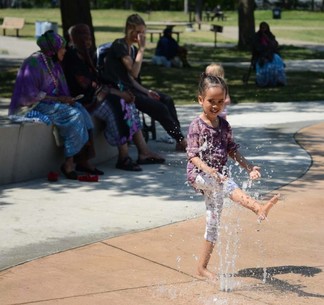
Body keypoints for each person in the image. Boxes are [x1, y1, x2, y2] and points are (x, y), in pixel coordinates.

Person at [186, 73, 280, 281]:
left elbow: (233, 150)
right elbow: (191, 155)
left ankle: (202, 267)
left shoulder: (224, 126)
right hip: (199, 175)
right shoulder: (197, 126)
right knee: (223, 181)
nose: (215, 106)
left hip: (216, 178)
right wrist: (208, 170)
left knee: (213, 222)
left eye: (220, 102)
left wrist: (249, 168)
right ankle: (257, 207)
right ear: (201, 99)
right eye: (211, 101)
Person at [63, 23, 165, 171]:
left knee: (128, 104)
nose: (88, 40)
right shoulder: (72, 58)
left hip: (96, 96)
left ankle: (143, 152)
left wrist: (119, 91)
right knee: (117, 106)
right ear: (74, 39)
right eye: (83, 37)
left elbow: (97, 80)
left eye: (89, 36)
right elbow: (88, 86)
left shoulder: (84, 55)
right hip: (84, 101)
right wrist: (117, 93)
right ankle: (123, 157)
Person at [8, 30, 101, 180]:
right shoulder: (32, 63)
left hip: (51, 102)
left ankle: (83, 160)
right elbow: (28, 95)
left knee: (81, 110)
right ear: (53, 48)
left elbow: (60, 89)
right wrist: (58, 100)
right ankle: (68, 164)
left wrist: (67, 99)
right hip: (31, 106)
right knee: (74, 115)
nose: (64, 51)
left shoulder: (53, 63)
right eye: (62, 48)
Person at [100, 13, 187, 152]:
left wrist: (147, 91)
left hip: (132, 88)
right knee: (160, 108)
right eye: (137, 32)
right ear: (129, 29)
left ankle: (179, 139)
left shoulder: (132, 49)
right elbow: (133, 72)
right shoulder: (119, 45)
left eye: (142, 32)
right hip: (122, 92)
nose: (140, 36)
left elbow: (131, 79)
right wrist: (142, 49)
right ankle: (181, 140)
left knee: (166, 99)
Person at [252, 21, 286, 87]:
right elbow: (257, 48)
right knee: (264, 63)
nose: (264, 30)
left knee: (277, 60)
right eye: (262, 28)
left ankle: (278, 80)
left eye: (265, 28)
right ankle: (263, 81)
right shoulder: (257, 37)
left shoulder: (270, 36)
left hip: (272, 54)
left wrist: (269, 41)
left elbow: (275, 45)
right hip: (261, 55)